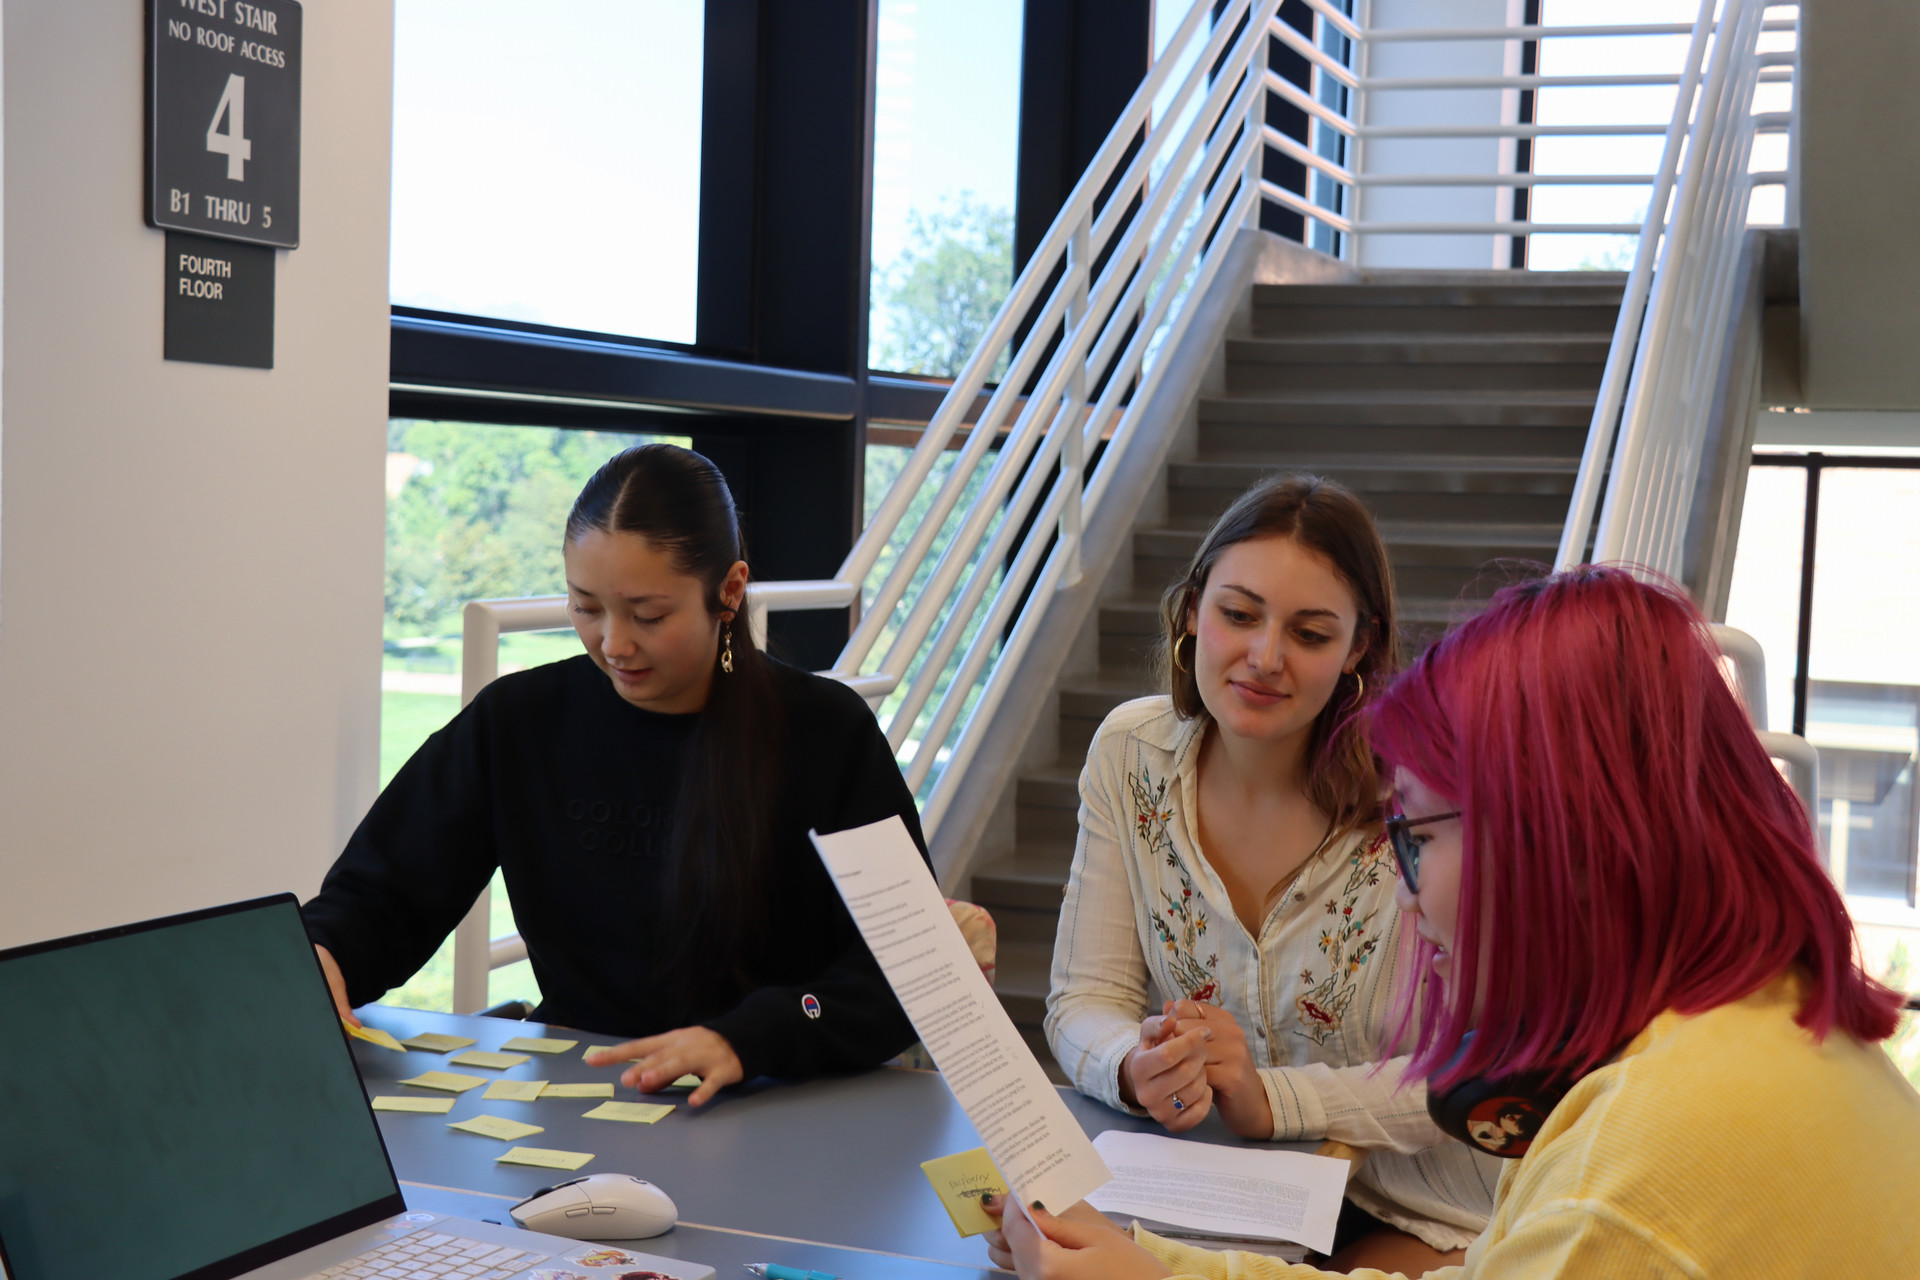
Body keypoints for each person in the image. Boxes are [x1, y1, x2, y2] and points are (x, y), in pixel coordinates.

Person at [986, 565, 1920, 1278]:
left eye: (1416, 835)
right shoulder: (1760, 1027)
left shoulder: (1641, 1168)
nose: (1405, 890)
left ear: (1555, 836)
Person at [304, 443, 927, 1107]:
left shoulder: (827, 733)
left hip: (783, 1097)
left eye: (647, 615)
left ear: (729, 591)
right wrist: (326, 954)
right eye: (585, 607)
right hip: (583, 1097)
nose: (613, 644)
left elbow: (905, 972)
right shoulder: (519, 722)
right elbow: (384, 894)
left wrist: (745, 1039)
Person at [1046, 474, 1497, 1271]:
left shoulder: (1417, 789)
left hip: (1424, 1204)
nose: (1264, 657)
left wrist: (1270, 1101)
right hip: (1228, 1193)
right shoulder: (1130, 754)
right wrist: (1135, 1063)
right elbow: (1083, 1001)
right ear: (1193, 611)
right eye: (1239, 614)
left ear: (1360, 647)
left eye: (1310, 634)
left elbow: (1465, 1069)